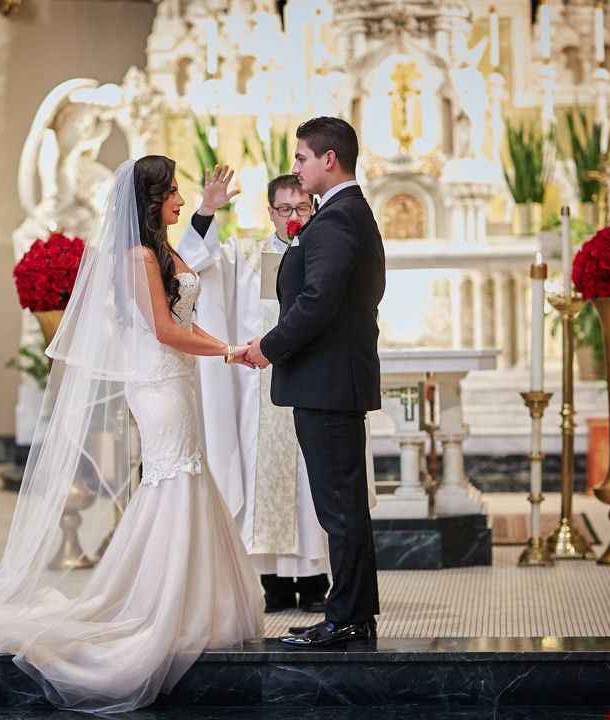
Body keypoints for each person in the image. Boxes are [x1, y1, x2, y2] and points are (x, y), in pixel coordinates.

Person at [0, 156, 263, 713]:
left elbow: (183, 323)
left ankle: (190, 604)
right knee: (173, 478)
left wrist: (232, 351)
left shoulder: (164, 251)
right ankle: (151, 604)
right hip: (159, 385)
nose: (181, 201)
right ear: (151, 199)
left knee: (184, 475)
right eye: (175, 194)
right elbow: (163, 331)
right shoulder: (137, 257)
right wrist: (229, 350)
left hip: (176, 381)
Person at [179, 172, 377, 615]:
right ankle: (271, 580)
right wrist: (207, 210)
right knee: (259, 473)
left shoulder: (325, 251)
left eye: (301, 208)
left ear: (314, 209)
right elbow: (198, 266)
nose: (292, 217)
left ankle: (313, 580)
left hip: (313, 381)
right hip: (257, 388)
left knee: (313, 485)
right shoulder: (245, 256)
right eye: (284, 209)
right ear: (269, 212)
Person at [246, 117, 386, 648]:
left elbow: (319, 300)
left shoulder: (337, 220)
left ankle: (347, 618)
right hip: (332, 380)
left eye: (302, 157)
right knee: (343, 504)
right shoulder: (346, 213)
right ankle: (354, 613)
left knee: (339, 507)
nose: (297, 167)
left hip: (326, 383)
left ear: (330, 159)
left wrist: (269, 346)